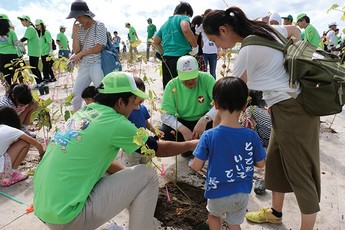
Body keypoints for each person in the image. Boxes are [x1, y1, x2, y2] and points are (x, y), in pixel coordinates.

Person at [33, 71, 198, 230]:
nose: (134, 109)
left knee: (120, 173)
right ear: (120, 102)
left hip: (45, 209)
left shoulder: (84, 112)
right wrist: (191, 144)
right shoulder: (115, 122)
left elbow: (102, 162)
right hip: (68, 218)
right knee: (147, 176)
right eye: (134, 103)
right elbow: (158, 148)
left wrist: (130, 185)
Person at [203, 7, 319, 229]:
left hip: (293, 111)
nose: (216, 46)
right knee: (274, 161)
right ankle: (275, 213)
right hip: (281, 107)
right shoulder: (266, 30)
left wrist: (208, 127)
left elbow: (228, 96)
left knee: (301, 173)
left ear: (223, 30)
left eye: (214, 40)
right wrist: (293, 64)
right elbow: (295, 30)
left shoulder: (249, 50)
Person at [192, 76, 266, 230]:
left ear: (216, 105)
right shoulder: (251, 135)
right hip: (241, 192)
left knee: (213, 216)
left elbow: (196, 166)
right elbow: (260, 164)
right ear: (245, 105)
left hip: (217, 191)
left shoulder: (209, 135)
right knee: (234, 223)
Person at [160, 55, 216, 157]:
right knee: (164, 132)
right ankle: (187, 147)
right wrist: (183, 129)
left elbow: (220, 104)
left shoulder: (207, 79)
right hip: (183, 121)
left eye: (193, 77)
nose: (190, 81)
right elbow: (165, 115)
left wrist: (204, 120)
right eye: (186, 78)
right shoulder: (172, 85)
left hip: (205, 119)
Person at [66, 0, 107, 111]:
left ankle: (105, 118)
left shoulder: (99, 25)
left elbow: (99, 47)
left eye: (79, 17)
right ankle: (76, 120)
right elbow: (76, 50)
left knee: (102, 93)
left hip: (96, 63)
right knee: (76, 95)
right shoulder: (79, 29)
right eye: (75, 18)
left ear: (86, 14)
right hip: (84, 65)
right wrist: (74, 34)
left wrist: (81, 54)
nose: (77, 20)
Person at [153, 2, 197, 89]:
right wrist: (195, 46)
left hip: (167, 60)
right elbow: (185, 29)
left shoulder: (165, 24)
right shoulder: (183, 18)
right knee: (185, 87)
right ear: (185, 12)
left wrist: (164, 52)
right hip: (182, 58)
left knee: (170, 87)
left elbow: (155, 41)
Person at [121, 76, 163, 167]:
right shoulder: (126, 111)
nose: (141, 97)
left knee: (146, 163)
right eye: (137, 95)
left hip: (144, 144)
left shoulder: (143, 108)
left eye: (142, 93)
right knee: (132, 167)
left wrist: (155, 131)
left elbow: (146, 123)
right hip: (131, 146)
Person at [0, 106, 44, 187]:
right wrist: (42, 155)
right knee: (24, 143)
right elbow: (37, 144)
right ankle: (12, 174)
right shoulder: (12, 130)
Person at [17, 15, 44, 88]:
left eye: (23, 21)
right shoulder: (32, 29)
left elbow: (25, 38)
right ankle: (40, 82)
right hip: (35, 51)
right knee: (35, 68)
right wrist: (23, 44)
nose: (22, 23)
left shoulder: (30, 28)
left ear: (27, 21)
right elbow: (30, 41)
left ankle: (39, 83)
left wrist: (17, 42)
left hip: (33, 52)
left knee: (33, 68)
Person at [0, 14, 22, 86]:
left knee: (6, 75)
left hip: (1, 56)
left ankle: (8, 93)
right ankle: (18, 90)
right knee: (16, 73)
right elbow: (16, 43)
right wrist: (22, 49)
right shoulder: (12, 32)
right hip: (12, 55)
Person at [201, 9, 219, 79]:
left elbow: (218, 39)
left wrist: (218, 51)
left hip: (213, 52)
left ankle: (214, 88)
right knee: (204, 72)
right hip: (204, 51)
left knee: (213, 72)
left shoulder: (216, 26)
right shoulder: (202, 26)